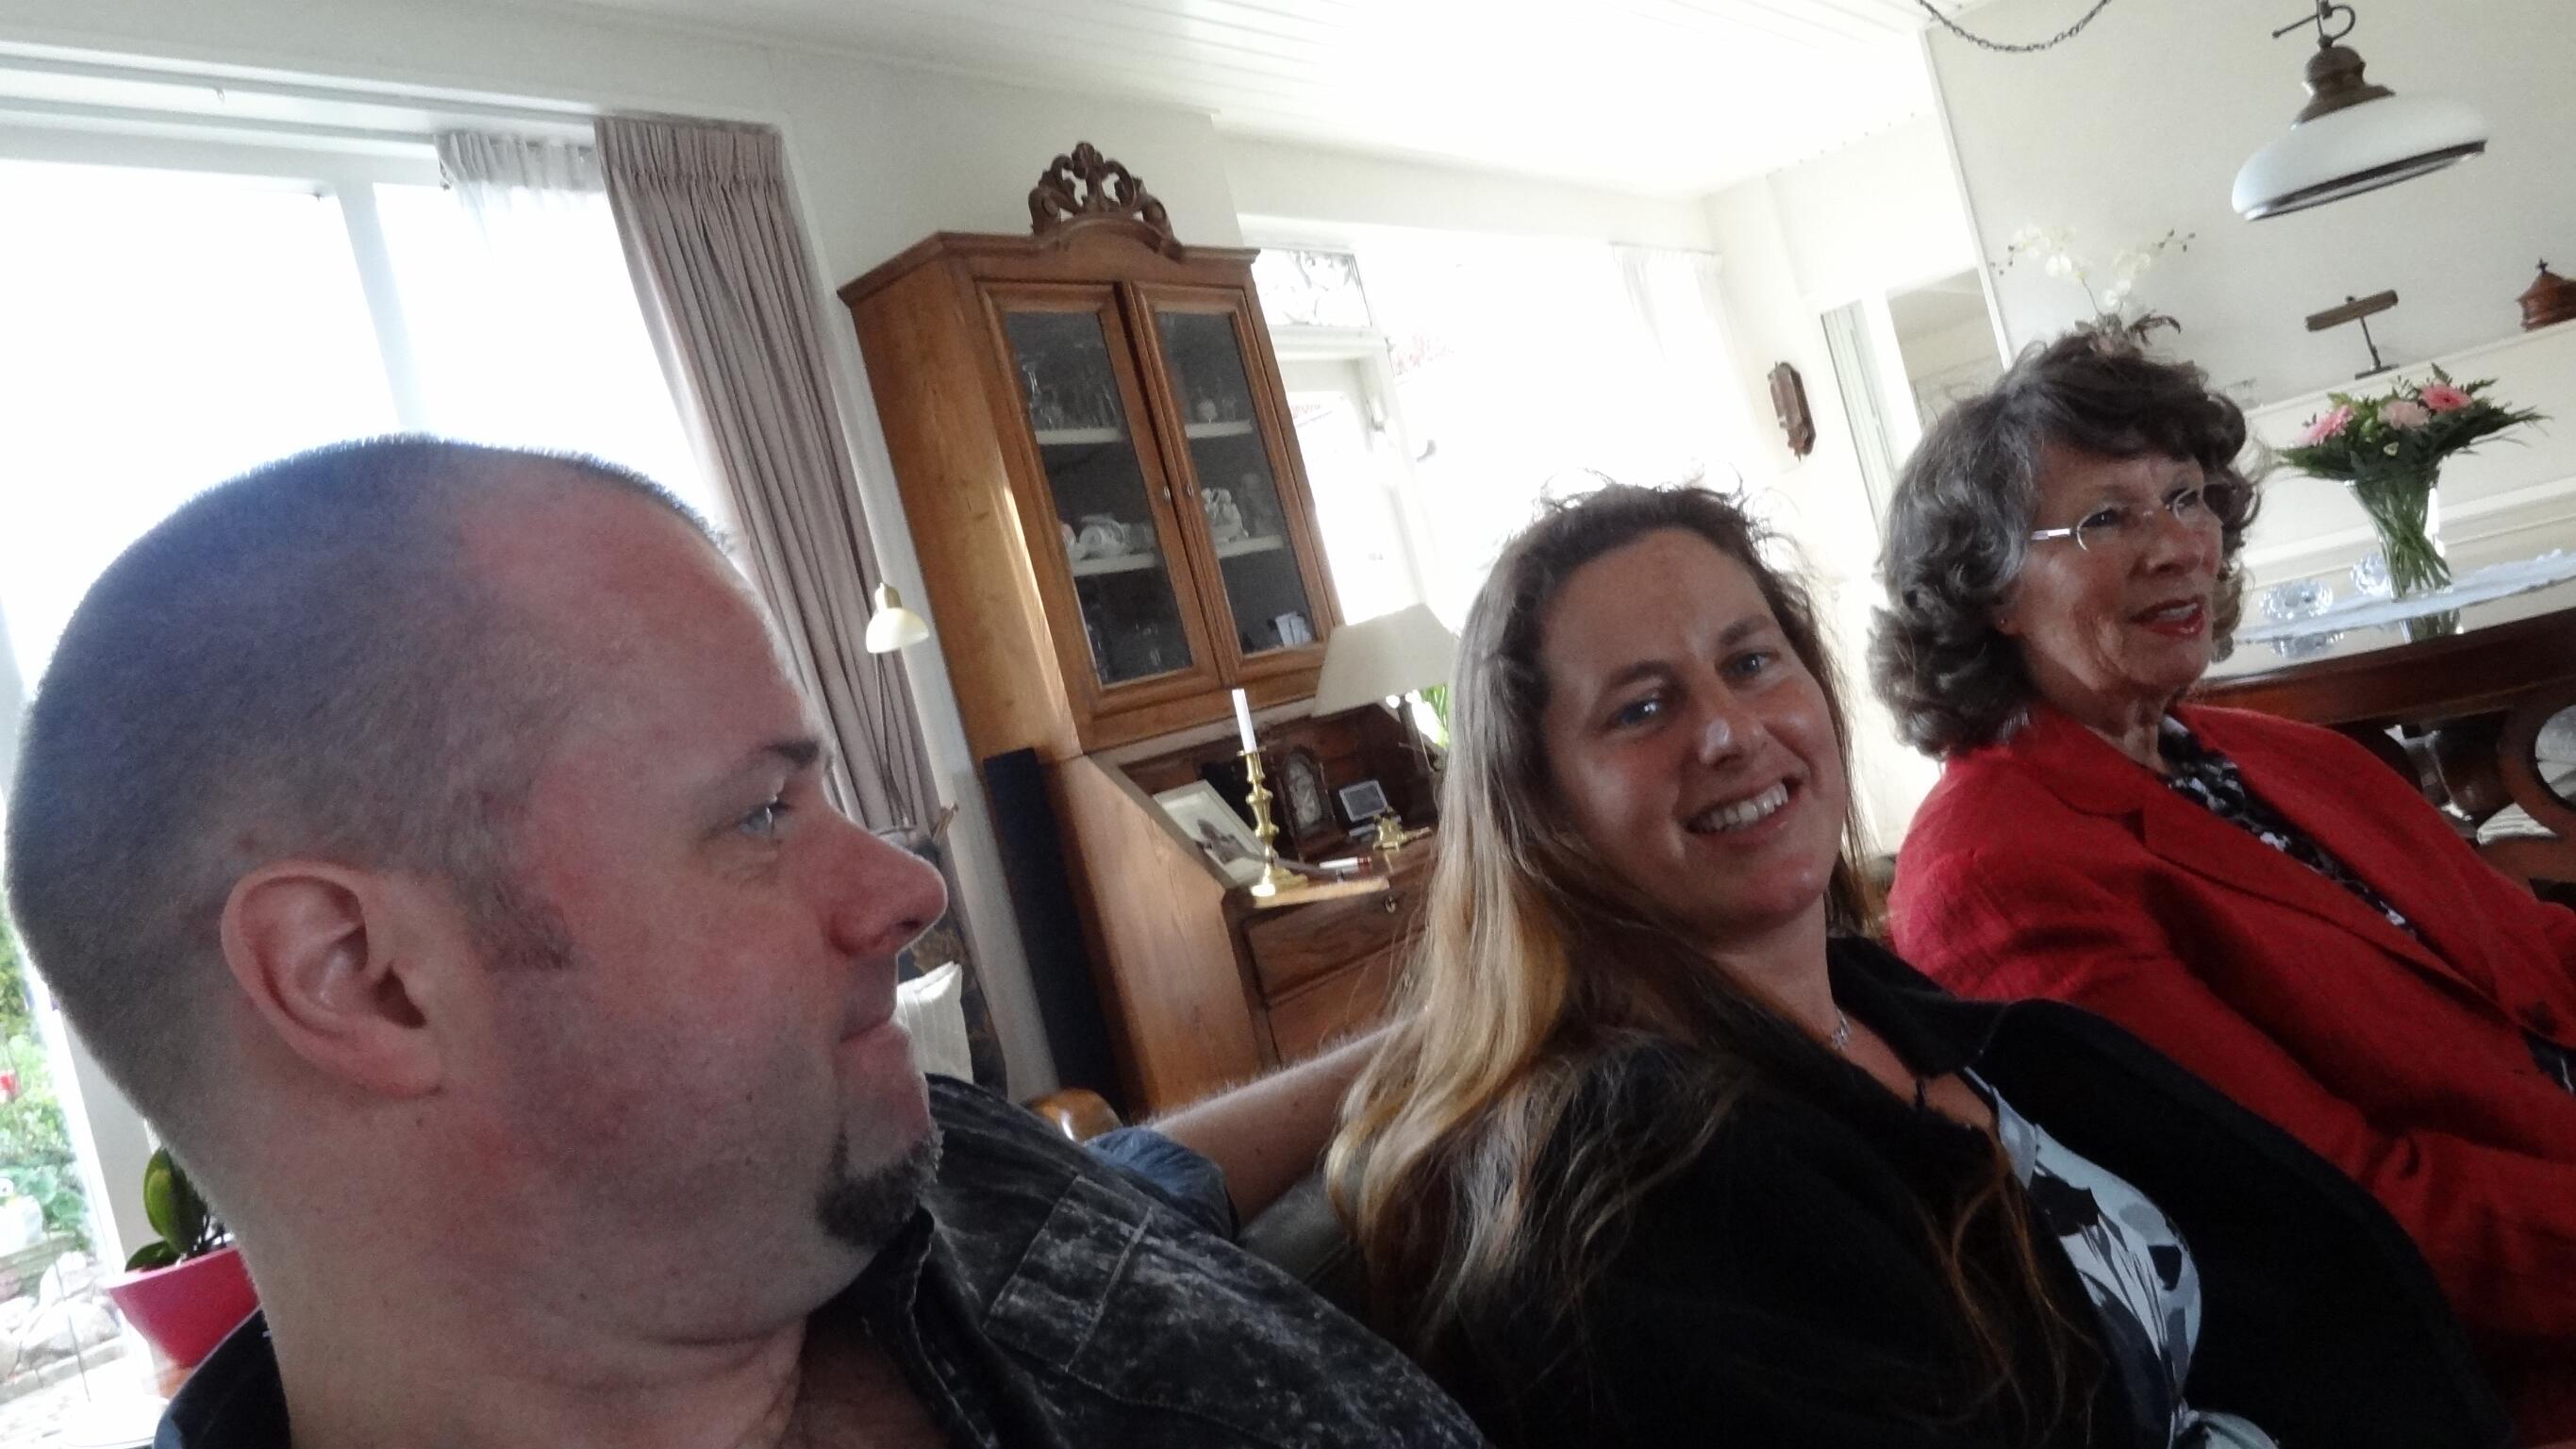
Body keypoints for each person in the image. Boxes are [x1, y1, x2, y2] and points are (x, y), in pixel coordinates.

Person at [0, 438, 1485, 1449]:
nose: (906, 891)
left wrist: (1470, 1025)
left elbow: (1129, 1196)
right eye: (761, 814)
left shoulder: (898, 1165)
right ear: (364, 980)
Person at [1328, 481, 2506, 1448]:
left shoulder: (1882, 1004)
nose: (1729, 731)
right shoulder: (1635, 1191)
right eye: (1641, 710)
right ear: (1542, 809)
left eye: (1751, 662)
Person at [1871, 332, 2576, 1440]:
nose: (2177, 546)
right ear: (1989, 587)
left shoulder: (2281, 752)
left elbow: (2533, 955)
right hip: (2499, 1361)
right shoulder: (1994, 876)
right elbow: (2336, 1208)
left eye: (2187, 497)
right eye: (2107, 519)